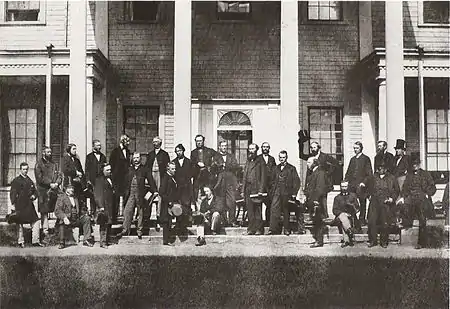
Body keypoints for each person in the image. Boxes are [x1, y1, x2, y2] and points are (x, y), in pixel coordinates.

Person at [397, 153, 436, 249]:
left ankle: (421, 243)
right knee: (403, 205)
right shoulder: (409, 175)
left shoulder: (425, 174)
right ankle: (405, 226)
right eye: (413, 164)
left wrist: (428, 193)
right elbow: (405, 188)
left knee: (422, 219)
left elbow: (432, 187)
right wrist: (402, 197)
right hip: (411, 197)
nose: (415, 166)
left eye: (416, 164)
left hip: (422, 197)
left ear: (419, 164)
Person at [116, 153, 157, 239]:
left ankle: (139, 231)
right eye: (134, 158)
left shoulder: (145, 169)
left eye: (137, 158)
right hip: (130, 193)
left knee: (141, 212)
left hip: (140, 193)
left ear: (140, 159)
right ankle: (125, 230)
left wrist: (155, 191)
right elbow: (124, 182)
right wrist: (122, 191)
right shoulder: (129, 169)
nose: (135, 159)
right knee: (127, 211)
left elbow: (151, 180)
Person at [298, 135, 338, 218]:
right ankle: (314, 219)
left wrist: (327, 174)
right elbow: (301, 155)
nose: (312, 149)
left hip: (322, 183)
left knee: (322, 201)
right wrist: (301, 142)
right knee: (313, 202)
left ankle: (325, 218)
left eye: (314, 147)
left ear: (319, 148)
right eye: (311, 148)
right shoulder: (310, 157)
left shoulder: (325, 157)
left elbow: (336, 164)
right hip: (312, 182)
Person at [365, 161, 400, 248]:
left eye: (383, 167)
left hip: (385, 203)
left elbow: (397, 190)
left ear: (386, 169)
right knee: (372, 221)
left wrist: (392, 198)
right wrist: (368, 196)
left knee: (385, 222)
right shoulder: (372, 177)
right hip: (374, 202)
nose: (381, 169)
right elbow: (365, 187)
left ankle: (384, 241)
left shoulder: (391, 178)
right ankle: (373, 241)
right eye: (379, 167)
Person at [9, 162, 44, 248]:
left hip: (29, 205)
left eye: (26, 169)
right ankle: (21, 241)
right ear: (20, 170)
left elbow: (35, 192)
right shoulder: (16, 181)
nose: (25, 171)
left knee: (36, 221)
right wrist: (13, 204)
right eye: (24, 169)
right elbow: (12, 193)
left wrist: (34, 196)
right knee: (19, 223)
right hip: (20, 205)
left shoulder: (29, 180)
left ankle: (35, 241)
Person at [267, 150, 300, 235]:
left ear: (286, 158)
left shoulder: (291, 168)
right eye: (280, 157)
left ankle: (287, 229)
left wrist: (294, 193)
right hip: (277, 192)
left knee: (286, 211)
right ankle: (273, 229)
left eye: (283, 157)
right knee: (274, 209)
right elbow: (270, 181)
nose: (282, 159)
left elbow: (296, 182)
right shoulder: (275, 168)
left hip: (286, 193)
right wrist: (272, 191)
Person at [34, 146, 62, 240]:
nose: (50, 154)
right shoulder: (39, 164)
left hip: (54, 190)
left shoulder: (54, 164)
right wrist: (50, 184)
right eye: (48, 152)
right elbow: (40, 178)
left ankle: (57, 229)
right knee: (44, 211)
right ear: (43, 153)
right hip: (44, 191)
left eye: (50, 152)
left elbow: (59, 175)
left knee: (58, 208)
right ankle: (45, 231)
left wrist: (57, 183)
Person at [54, 185, 94, 249]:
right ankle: (62, 243)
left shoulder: (75, 198)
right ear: (66, 189)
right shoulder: (61, 198)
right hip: (67, 219)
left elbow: (81, 208)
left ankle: (86, 240)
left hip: (76, 219)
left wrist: (85, 213)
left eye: (72, 188)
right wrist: (64, 217)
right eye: (70, 188)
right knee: (61, 222)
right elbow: (57, 211)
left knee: (86, 219)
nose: (72, 189)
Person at [344, 141, 373, 227]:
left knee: (362, 202)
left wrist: (364, 182)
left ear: (361, 148)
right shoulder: (352, 159)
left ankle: (362, 219)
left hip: (361, 185)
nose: (355, 150)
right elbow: (348, 172)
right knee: (351, 201)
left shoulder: (365, 159)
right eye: (354, 148)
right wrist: (346, 181)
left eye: (357, 148)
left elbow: (369, 174)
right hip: (352, 185)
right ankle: (353, 219)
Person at [241, 143, 267, 235]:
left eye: (253, 149)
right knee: (250, 210)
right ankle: (251, 229)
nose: (251, 151)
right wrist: (242, 190)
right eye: (250, 149)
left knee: (257, 210)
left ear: (256, 150)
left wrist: (261, 190)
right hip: (248, 189)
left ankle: (259, 229)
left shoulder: (260, 161)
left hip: (256, 189)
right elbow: (245, 176)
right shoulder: (248, 161)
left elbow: (263, 177)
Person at [304, 157, 328, 248]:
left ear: (315, 163)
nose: (307, 164)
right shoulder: (313, 173)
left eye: (309, 162)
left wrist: (316, 200)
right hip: (313, 200)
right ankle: (317, 240)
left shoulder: (320, 173)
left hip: (317, 201)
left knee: (318, 221)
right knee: (316, 221)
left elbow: (319, 188)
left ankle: (319, 241)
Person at [214, 141, 240, 227]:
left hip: (230, 181)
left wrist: (225, 165)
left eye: (225, 146)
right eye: (222, 146)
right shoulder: (216, 156)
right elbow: (213, 167)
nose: (224, 147)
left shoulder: (231, 156)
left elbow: (235, 166)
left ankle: (232, 220)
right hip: (220, 182)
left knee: (232, 201)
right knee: (221, 202)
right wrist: (218, 166)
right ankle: (223, 221)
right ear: (219, 147)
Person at [190, 134, 219, 205]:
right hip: (197, 176)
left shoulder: (209, 151)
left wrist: (210, 166)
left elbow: (218, 157)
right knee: (197, 194)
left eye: (200, 141)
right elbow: (191, 164)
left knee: (208, 193)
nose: (199, 142)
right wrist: (197, 163)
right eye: (197, 141)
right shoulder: (193, 153)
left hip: (207, 176)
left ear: (203, 141)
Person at [172, 144, 193, 233]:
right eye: (177, 151)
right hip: (178, 187)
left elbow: (192, 173)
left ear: (183, 151)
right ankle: (179, 224)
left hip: (187, 186)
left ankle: (186, 224)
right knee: (178, 205)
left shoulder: (189, 162)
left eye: (180, 151)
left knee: (186, 204)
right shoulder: (174, 162)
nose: (178, 153)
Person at [109, 134, 131, 220]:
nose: (128, 143)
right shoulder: (115, 152)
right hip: (117, 179)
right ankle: (114, 217)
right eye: (127, 141)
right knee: (116, 198)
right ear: (123, 141)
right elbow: (111, 165)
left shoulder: (128, 151)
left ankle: (126, 217)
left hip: (126, 178)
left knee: (126, 196)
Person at [94, 163, 116, 248]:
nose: (109, 171)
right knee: (104, 224)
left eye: (110, 169)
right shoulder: (99, 180)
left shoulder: (110, 179)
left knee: (109, 223)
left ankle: (107, 240)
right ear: (102, 171)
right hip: (104, 205)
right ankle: (102, 242)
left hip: (110, 205)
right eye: (107, 170)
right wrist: (100, 206)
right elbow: (97, 194)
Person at [332, 181, 359, 247]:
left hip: (350, 217)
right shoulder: (337, 198)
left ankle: (346, 240)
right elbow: (334, 210)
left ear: (348, 187)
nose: (344, 188)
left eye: (345, 186)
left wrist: (352, 210)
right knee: (343, 217)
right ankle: (350, 232)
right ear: (340, 187)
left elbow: (358, 208)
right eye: (342, 186)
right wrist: (343, 213)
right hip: (339, 218)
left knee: (344, 222)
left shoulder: (353, 196)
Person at [159, 162, 179, 246]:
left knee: (169, 222)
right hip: (166, 204)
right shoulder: (165, 178)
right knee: (166, 223)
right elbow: (161, 192)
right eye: (172, 169)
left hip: (171, 204)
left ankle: (167, 240)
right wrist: (169, 201)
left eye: (175, 168)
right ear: (168, 169)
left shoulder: (171, 177)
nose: (174, 170)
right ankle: (166, 241)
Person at [85, 140, 107, 214]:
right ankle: (93, 214)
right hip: (92, 181)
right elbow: (87, 169)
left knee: (100, 198)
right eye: (97, 145)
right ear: (93, 146)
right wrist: (88, 180)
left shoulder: (103, 156)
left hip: (100, 180)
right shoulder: (89, 157)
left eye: (100, 145)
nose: (99, 147)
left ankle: (100, 216)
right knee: (93, 198)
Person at [259, 142, 277, 226]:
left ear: (269, 148)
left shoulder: (272, 159)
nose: (265, 148)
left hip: (269, 185)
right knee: (258, 203)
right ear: (261, 148)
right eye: (264, 147)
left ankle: (268, 221)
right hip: (260, 184)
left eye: (267, 147)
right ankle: (259, 223)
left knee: (269, 203)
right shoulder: (258, 158)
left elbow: (275, 170)